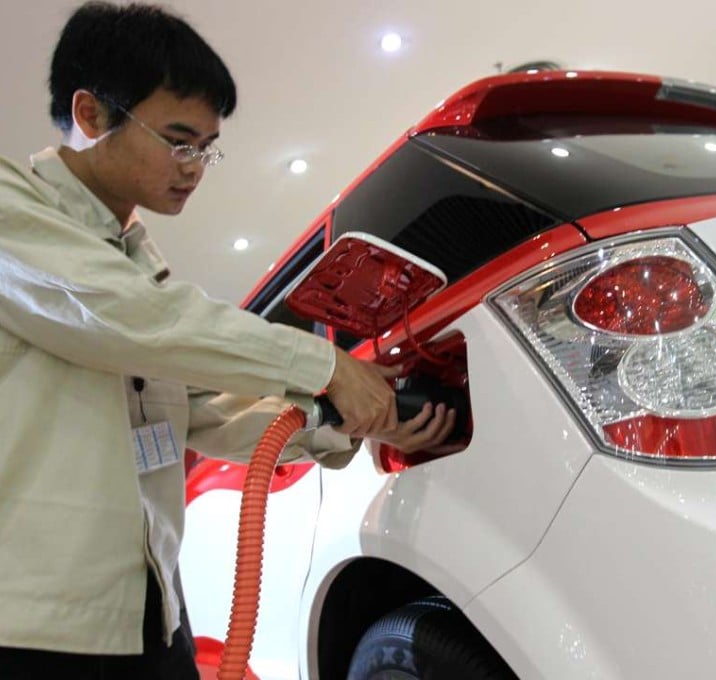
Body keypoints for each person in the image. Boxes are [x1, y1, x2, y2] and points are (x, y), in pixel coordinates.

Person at [0, 2, 457, 678]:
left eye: (205, 148)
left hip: (149, 609)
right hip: (33, 625)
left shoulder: (132, 260)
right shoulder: (16, 214)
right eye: (178, 140)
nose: (195, 167)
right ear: (92, 115)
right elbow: (134, 319)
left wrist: (354, 424)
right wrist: (323, 363)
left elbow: (206, 410)